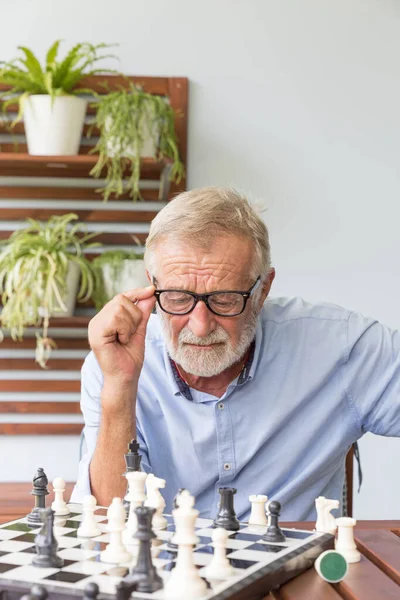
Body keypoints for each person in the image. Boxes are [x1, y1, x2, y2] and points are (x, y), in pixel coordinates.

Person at [71, 186, 400, 521]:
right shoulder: (113, 363)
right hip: (163, 570)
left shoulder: (338, 346)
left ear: (263, 289)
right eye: (178, 298)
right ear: (151, 285)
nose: (199, 327)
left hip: (296, 572)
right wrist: (119, 385)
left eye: (225, 299)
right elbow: (106, 523)